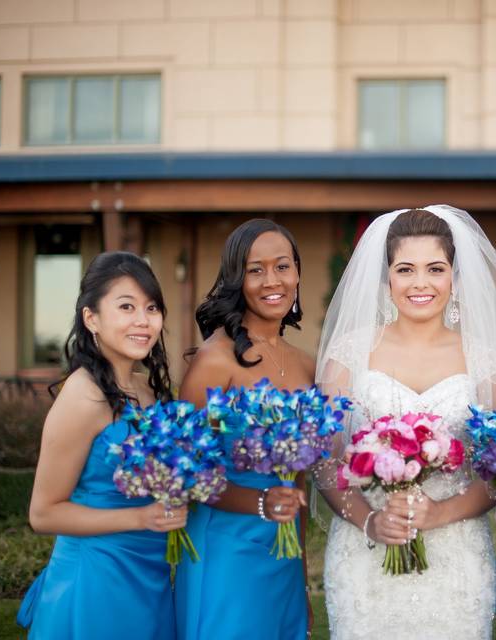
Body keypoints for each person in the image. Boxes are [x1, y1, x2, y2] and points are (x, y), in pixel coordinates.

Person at [315, 206, 496, 640]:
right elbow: (326, 464)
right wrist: (370, 521)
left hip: (456, 556)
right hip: (365, 553)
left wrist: (441, 512)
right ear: (386, 278)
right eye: (405, 269)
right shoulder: (348, 356)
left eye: (435, 268)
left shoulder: (486, 364)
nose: (420, 283)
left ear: (454, 277)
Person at [17, 251, 185, 639]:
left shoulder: (148, 390)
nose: (143, 320)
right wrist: (141, 518)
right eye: (126, 307)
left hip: (150, 572)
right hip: (96, 580)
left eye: (151, 307)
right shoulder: (82, 397)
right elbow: (43, 514)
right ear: (91, 318)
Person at [176, 219, 313, 640]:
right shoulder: (215, 362)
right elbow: (185, 472)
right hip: (225, 552)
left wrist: (302, 573)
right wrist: (259, 503)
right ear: (238, 279)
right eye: (256, 270)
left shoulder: (307, 364)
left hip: (284, 554)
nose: (272, 281)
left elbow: (302, 476)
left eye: (282, 266)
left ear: (297, 273)